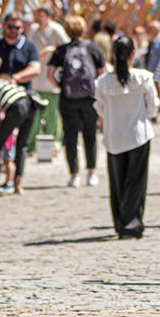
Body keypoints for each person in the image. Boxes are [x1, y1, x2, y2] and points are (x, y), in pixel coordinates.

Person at [95, 35, 160, 239]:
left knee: (117, 182)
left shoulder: (103, 82)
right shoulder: (143, 78)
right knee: (136, 182)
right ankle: (131, 223)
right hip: (138, 135)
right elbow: (153, 107)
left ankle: (120, 222)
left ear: (113, 55)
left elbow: (99, 108)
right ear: (134, 54)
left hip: (114, 137)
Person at [0, 14, 41, 195]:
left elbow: (36, 69)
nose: (13, 31)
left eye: (17, 28)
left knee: (20, 144)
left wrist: (14, 79)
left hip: (23, 101)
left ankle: (17, 182)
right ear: (4, 27)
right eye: (10, 27)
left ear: (22, 28)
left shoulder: (29, 46)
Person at [48, 13, 107, 188]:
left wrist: (61, 86)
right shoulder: (93, 47)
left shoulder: (61, 50)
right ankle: (91, 173)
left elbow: (50, 74)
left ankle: (74, 174)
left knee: (71, 136)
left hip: (68, 99)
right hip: (89, 98)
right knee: (90, 135)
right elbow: (102, 71)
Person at [28, 4, 69, 147]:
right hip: (35, 78)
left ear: (44, 15)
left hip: (51, 80)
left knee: (52, 114)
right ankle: (32, 143)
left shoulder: (57, 30)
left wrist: (52, 50)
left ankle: (52, 142)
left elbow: (67, 47)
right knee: (35, 115)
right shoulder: (33, 29)